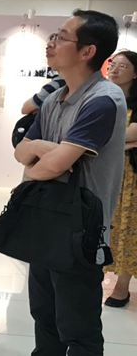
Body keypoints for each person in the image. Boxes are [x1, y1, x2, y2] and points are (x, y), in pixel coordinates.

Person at [14, 9, 125, 356]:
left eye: (61, 37)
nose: (51, 43)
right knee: (44, 315)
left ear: (87, 51)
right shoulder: (54, 98)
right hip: (45, 219)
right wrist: (44, 151)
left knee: (78, 328)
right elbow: (21, 153)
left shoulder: (103, 99)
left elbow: (48, 167)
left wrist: (43, 157)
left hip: (81, 230)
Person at [103, 50, 137, 308]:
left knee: (128, 226)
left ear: (135, 74)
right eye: (112, 64)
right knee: (103, 223)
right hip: (105, 170)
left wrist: (123, 141)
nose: (114, 69)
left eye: (122, 66)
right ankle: (96, 273)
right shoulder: (103, 97)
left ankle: (122, 287)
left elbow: (128, 134)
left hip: (131, 176)